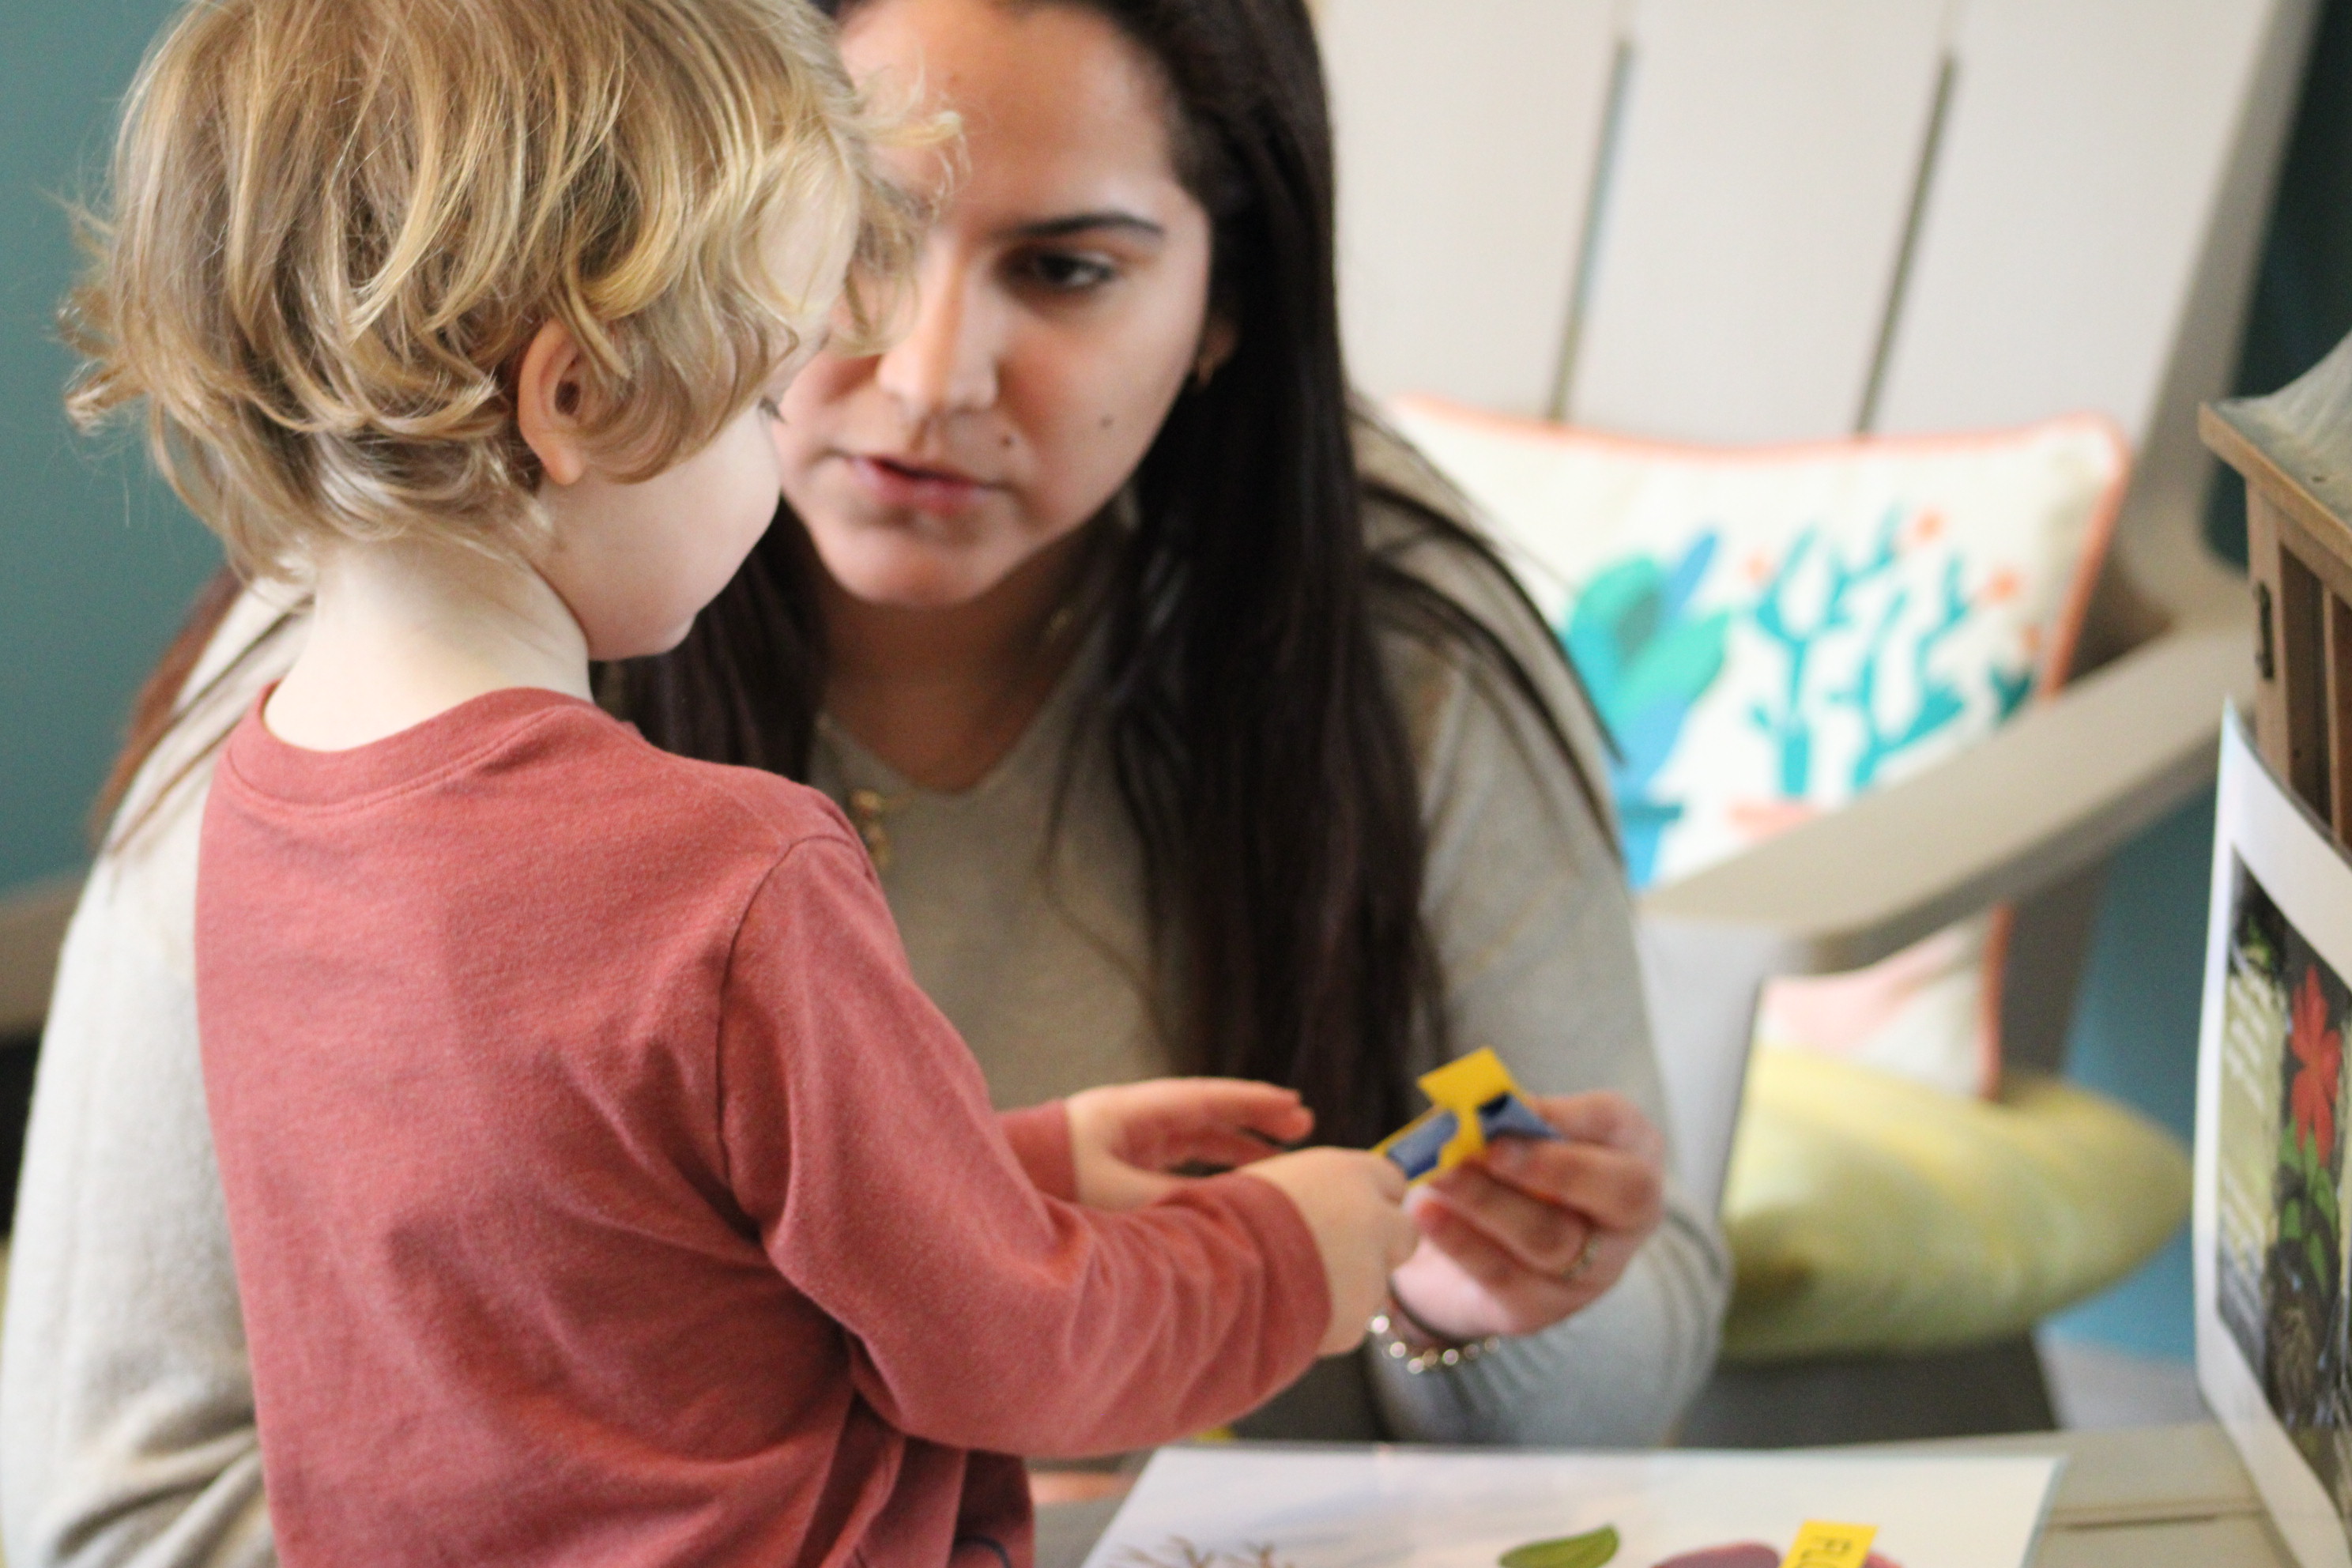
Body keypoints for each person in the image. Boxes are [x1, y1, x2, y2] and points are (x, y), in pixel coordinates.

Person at [2, 0, 1728, 1562]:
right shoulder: (733, 871)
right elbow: (1000, 1338)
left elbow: (602, 1225)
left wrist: (1025, 1171)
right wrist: (1298, 1247)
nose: (916, 378)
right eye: (800, 338)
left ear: (1227, 311)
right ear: (585, 389)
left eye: (1064, 269)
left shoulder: (281, 790)